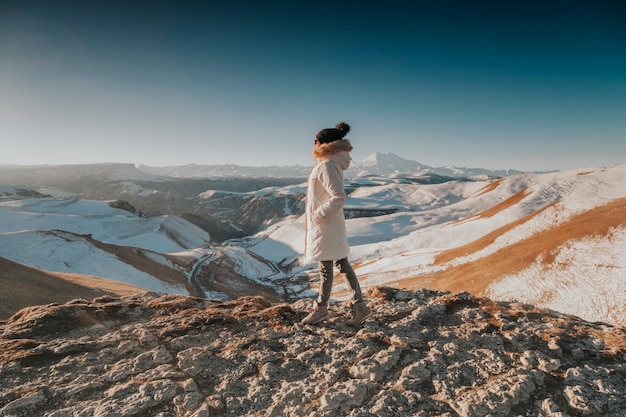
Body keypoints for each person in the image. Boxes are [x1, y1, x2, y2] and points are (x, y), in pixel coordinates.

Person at [301, 122, 371, 326]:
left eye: (316, 140)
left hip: (326, 225)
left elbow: (338, 197)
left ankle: (321, 309)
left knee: (327, 267)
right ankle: (360, 307)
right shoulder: (329, 163)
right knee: (341, 264)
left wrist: (318, 216)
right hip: (330, 224)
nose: (313, 143)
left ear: (323, 143)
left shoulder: (326, 165)